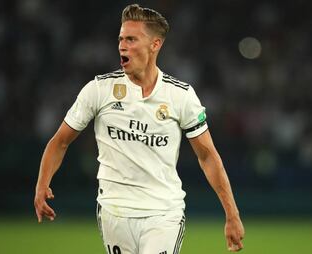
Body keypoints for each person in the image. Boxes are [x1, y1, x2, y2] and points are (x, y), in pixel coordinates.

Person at [34, 4, 244, 253]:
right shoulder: (99, 90)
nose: (122, 45)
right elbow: (60, 141)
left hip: (163, 213)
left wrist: (232, 214)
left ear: (155, 45)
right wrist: (41, 184)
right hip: (114, 211)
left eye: (131, 39)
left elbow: (207, 156)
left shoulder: (180, 96)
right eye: (121, 38)